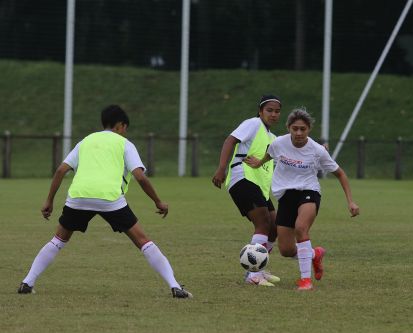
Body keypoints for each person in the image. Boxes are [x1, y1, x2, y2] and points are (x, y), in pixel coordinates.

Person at [17, 105, 192, 298]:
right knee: (143, 241)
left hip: (78, 197)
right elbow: (140, 177)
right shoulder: (124, 144)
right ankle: (175, 286)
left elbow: (61, 170)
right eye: (125, 127)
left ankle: (27, 282)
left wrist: (49, 200)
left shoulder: (86, 141)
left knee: (58, 240)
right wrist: (158, 202)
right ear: (120, 125)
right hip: (110, 199)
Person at [245, 108, 360, 290]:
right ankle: (314, 254)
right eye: (295, 128)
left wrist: (350, 201)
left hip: (309, 192)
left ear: (309, 130)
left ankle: (305, 281)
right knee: (286, 251)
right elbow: (269, 156)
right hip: (285, 196)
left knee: (301, 228)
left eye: (303, 129)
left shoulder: (317, 150)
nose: (298, 133)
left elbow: (340, 174)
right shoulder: (279, 144)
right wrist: (258, 163)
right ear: (289, 128)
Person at [212, 95, 282, 287]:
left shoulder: (273, 138)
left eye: (277, 111)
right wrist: (221, 168)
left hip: (259, 186)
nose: (273, 114)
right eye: (269, 110)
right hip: (242, 178)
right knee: (263, 223)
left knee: (275, 228)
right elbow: (230, 141)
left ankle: (259, 267)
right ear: (260, 111)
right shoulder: (253, 123)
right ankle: (253, 275)